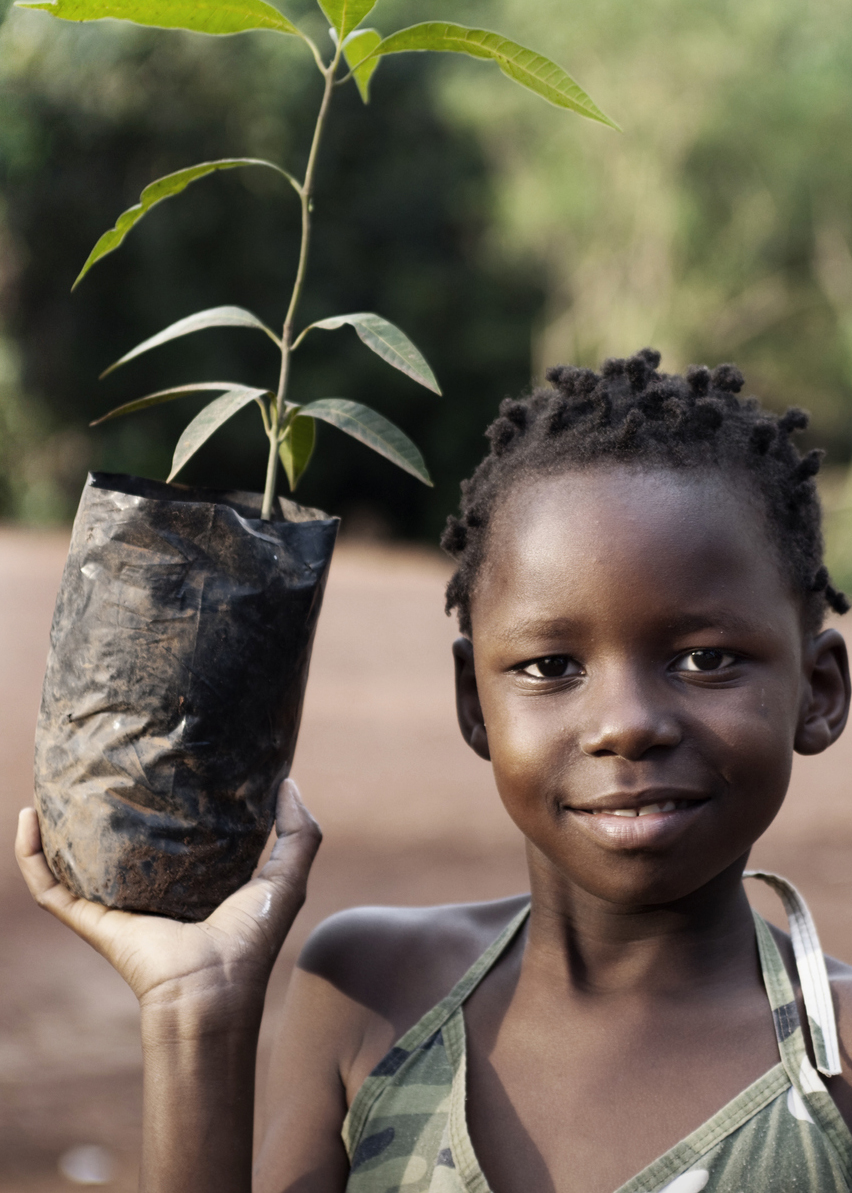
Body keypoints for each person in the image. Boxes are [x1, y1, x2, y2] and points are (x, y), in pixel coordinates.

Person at [16, 347, 852, 1193]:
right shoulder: (370, 993)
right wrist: (196, 1013)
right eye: (552, 665)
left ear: (818, 693)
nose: (626, 724)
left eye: (706, 658)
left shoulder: (839, 1059)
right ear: (473, 701)